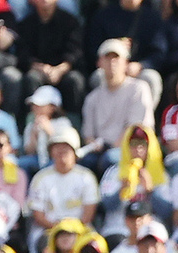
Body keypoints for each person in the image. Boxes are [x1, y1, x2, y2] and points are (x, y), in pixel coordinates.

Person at [80, 39, 155, 175]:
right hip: (100, 149)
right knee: (83, 162)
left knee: (109, 158)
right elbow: (88, 135)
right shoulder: (92, 98)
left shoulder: (138, 89)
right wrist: (94, 145)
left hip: (129, 148)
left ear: (126, 63)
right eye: (107, 58)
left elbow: (136, 129)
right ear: (99, 63)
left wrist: (113, 146)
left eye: (116, 59)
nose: (112, 63)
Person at [25, 128, 99, 253]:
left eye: (66, 147)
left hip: (80, 229)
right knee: (45, 245)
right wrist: (60, 231)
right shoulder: (41, 178)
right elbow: (38, 215)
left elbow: (88, 214)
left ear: (74, 151)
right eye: (57, 147)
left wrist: (71, 231)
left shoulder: (86, 177)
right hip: (49, 230)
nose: (61, 151)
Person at [15, 0, 87, 115]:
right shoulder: (25, 24)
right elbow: (23, 54)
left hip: (64, 70)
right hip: (39, 70)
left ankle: (74, 123)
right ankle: (32, 121)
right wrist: (39, 67)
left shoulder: (70, 22)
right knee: (31, 78)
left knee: (75, 80)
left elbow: (75, 52)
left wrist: (60, 69)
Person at [19, 84, 76, 177]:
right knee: (23, 164)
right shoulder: (31, 125)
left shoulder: (63, 123)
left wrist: (48, 130)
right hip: (36, 159)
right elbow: (29, 151)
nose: (35, 108)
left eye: (40, 105)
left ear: (52, 107)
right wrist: (34, 134)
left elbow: (65, 145)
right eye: (34, 105)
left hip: (55, 159)